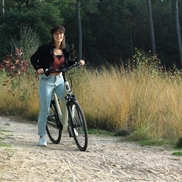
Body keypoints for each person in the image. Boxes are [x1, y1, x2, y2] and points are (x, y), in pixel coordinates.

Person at [30, 25, 85, 146]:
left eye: (61, 34)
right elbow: (33, 58)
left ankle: (70, 125)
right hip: (46, 81)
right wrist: (38, 68)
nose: (59, 36)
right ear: (53, 36)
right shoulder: (45, 48)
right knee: (44, 110)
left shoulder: (66, 48)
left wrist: (78, 62)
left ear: (63, 35)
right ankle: (42, 136)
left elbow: (66, 62)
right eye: (56, 34)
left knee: (70, 101)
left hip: (60, 79)